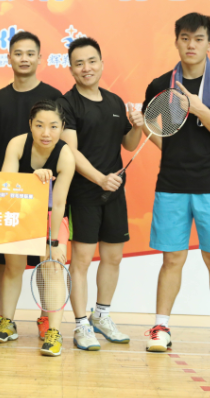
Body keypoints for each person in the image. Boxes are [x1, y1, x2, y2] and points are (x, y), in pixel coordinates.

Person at [143, 12, 210, 358]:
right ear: (176, 41)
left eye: (198, 39)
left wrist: (201, 110)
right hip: (171, 185)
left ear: (209, 43)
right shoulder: (161, 85)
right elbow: (155, 131)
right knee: (172, 259)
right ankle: (161, 327)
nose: (191, 45)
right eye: (185, 38)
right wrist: (169, 150)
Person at [0, 30, 63, 340]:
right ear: (8, 57)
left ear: (40, 58)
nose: (24, 59)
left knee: (46, 262)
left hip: (45, 193)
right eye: (18, 53)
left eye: (30, 53)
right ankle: (2, 317)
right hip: (9, 193)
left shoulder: (54, 96)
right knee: (4, 261)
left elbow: (64, 143)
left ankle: (46, 319)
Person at [59, 37, 143, 351]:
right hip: (83, 192)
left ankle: (101, 315)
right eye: (79, 63)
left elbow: (129, 144)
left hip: (113, 192)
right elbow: (70, 150)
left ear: (102, 64)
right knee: (81, 260)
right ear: (71, 69)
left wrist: (137, 126)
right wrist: (99, 179)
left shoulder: (114, 102)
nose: (87, 68)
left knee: (113, 257)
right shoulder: (67, 104)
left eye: (92, 61)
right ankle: (81, 324)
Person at [0, 100, 75, 356]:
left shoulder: (65, 155)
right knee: (13, 267)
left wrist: (54, 242)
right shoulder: (17, 144)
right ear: (30, 125)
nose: (46, 133)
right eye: (39, 125)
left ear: (62, 127)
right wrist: (32, 180)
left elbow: (58, 204)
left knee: (52, 268)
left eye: (53, 126)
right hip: (20, 211)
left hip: (50, 216)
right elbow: (7, 186)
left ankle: (54, 332)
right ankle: (7, 322)